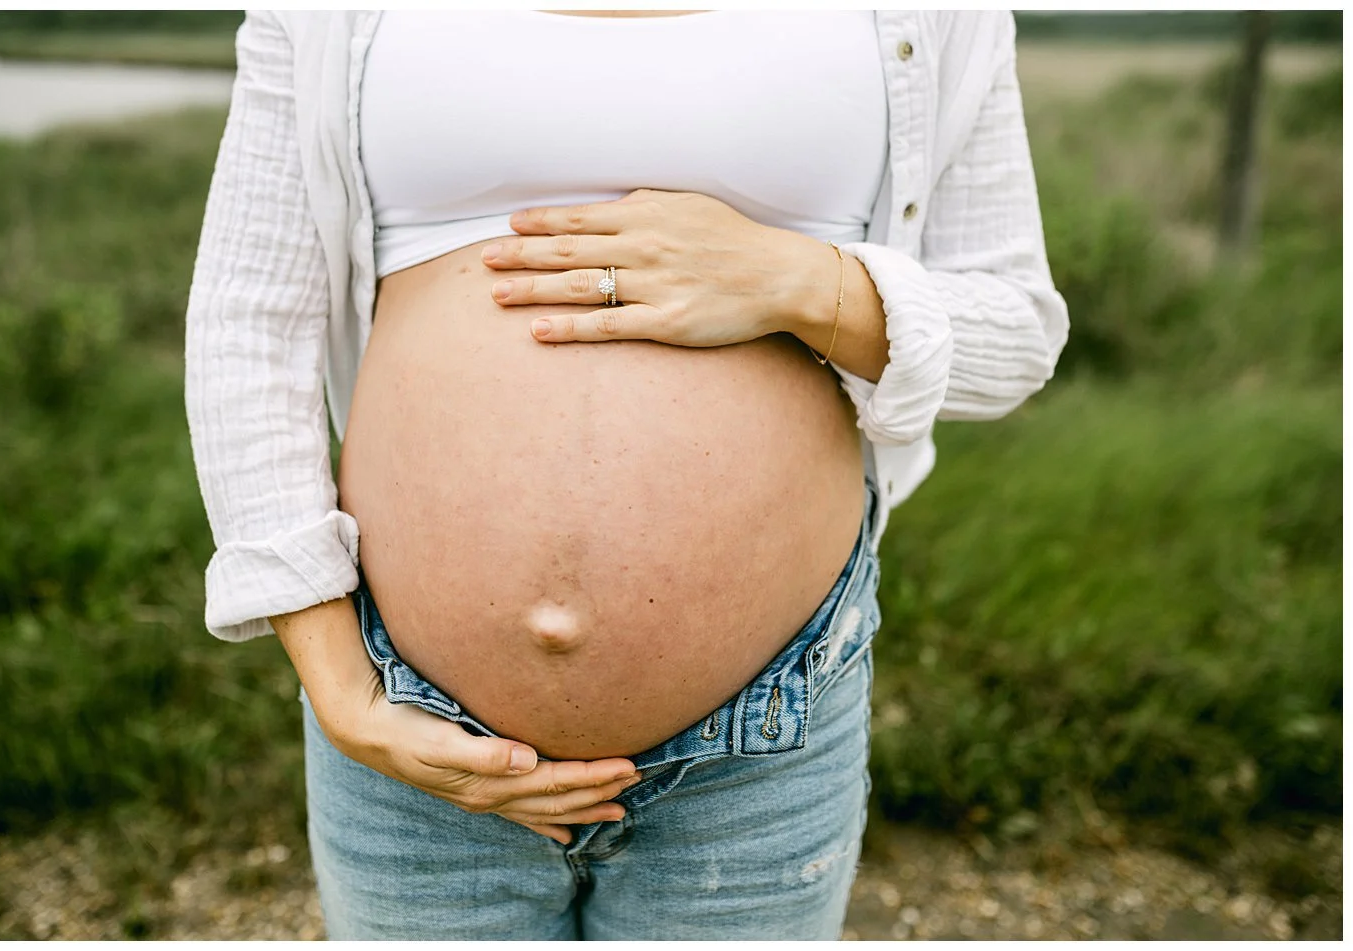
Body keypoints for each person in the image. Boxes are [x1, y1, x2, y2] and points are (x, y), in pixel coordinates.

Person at [184, 10, 1069, 940]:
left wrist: (798, 279)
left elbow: (1014, 335)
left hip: (764, 729)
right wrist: (339, 683)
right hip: (406, 720)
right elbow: (250, 317)